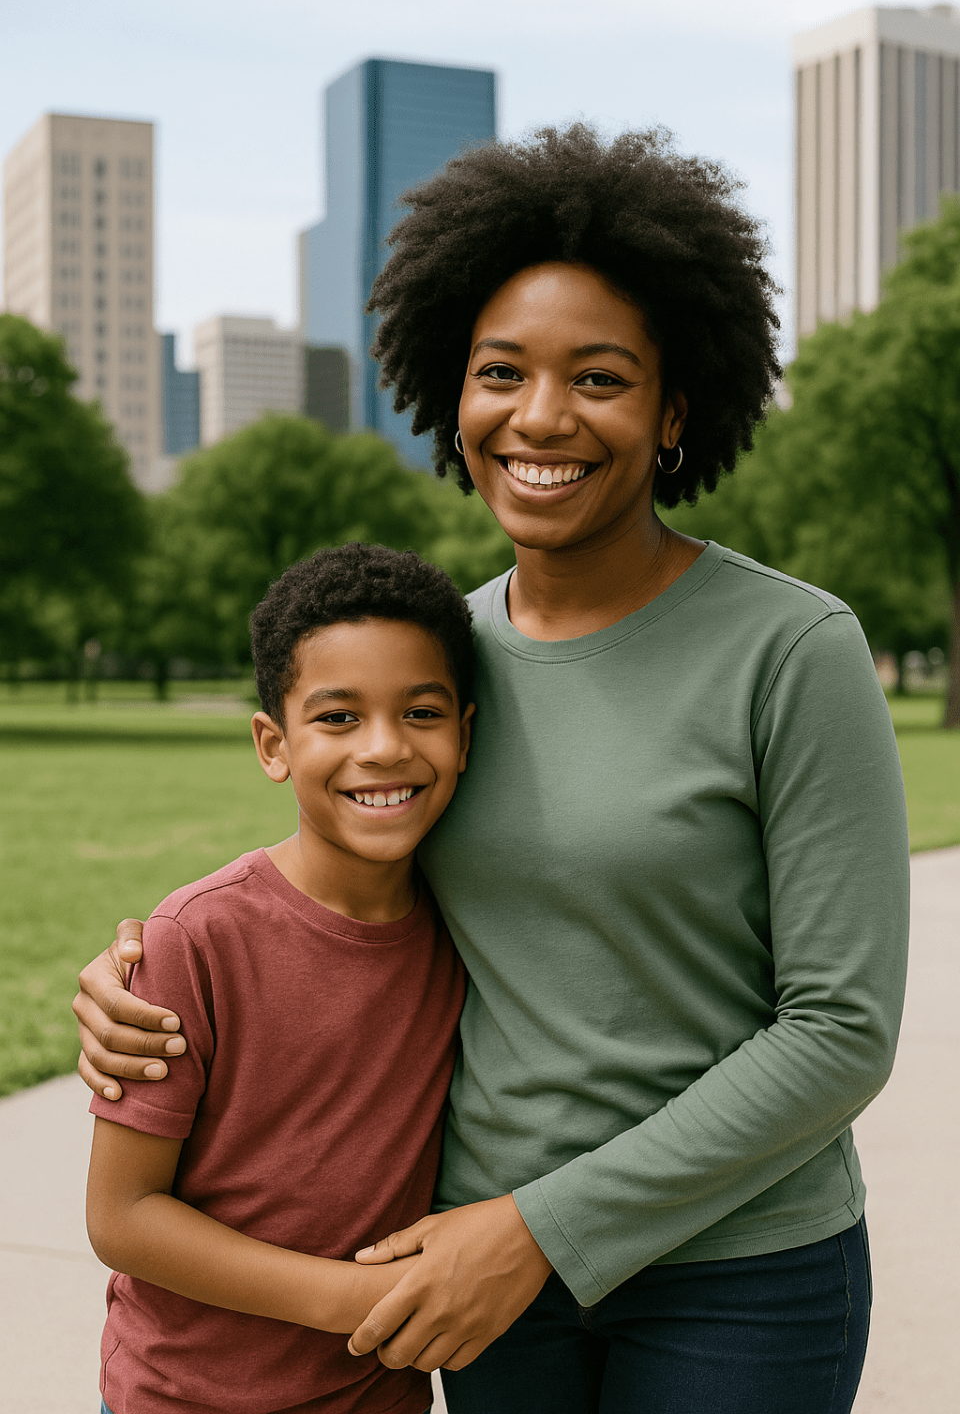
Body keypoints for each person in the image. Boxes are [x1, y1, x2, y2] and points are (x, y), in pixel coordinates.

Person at [76, 125, 909, 1414]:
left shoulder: (794, 649)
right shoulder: (439, 667)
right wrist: (140, 975)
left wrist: (540, 1228)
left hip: (733, 1270)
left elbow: (841, 1032)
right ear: (448, 396)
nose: (541, 416)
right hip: (480, 1274)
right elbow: (340, 890)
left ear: (675, 410)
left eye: (600, 378)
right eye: (501, 373)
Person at [84, 543, 475, 1414]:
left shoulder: (471, 932)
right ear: (274, 744)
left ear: (466, 735)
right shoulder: (196, 939)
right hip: (183, 1397)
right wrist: (351, 1298)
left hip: (375, 1398)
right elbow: (121, 1215)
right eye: (338, 718)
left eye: (421, 712)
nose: (384, 747)